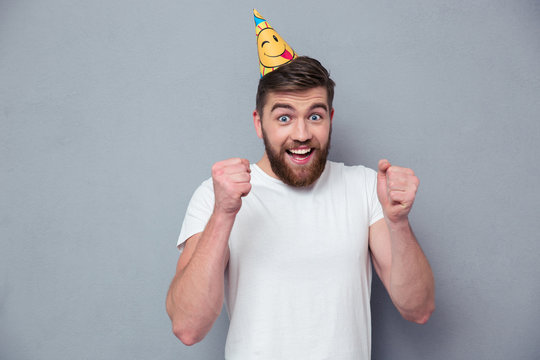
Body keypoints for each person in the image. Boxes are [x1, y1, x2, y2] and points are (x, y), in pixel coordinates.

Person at [166, 55, 435, 359]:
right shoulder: (216, 196)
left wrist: (398, 223)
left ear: (330, 118)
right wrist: (223, 214)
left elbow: (419, 308)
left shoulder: (365, 188)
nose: (302, 134)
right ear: (259, 123)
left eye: (315, 116)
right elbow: (188, 327)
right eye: (284, 118)